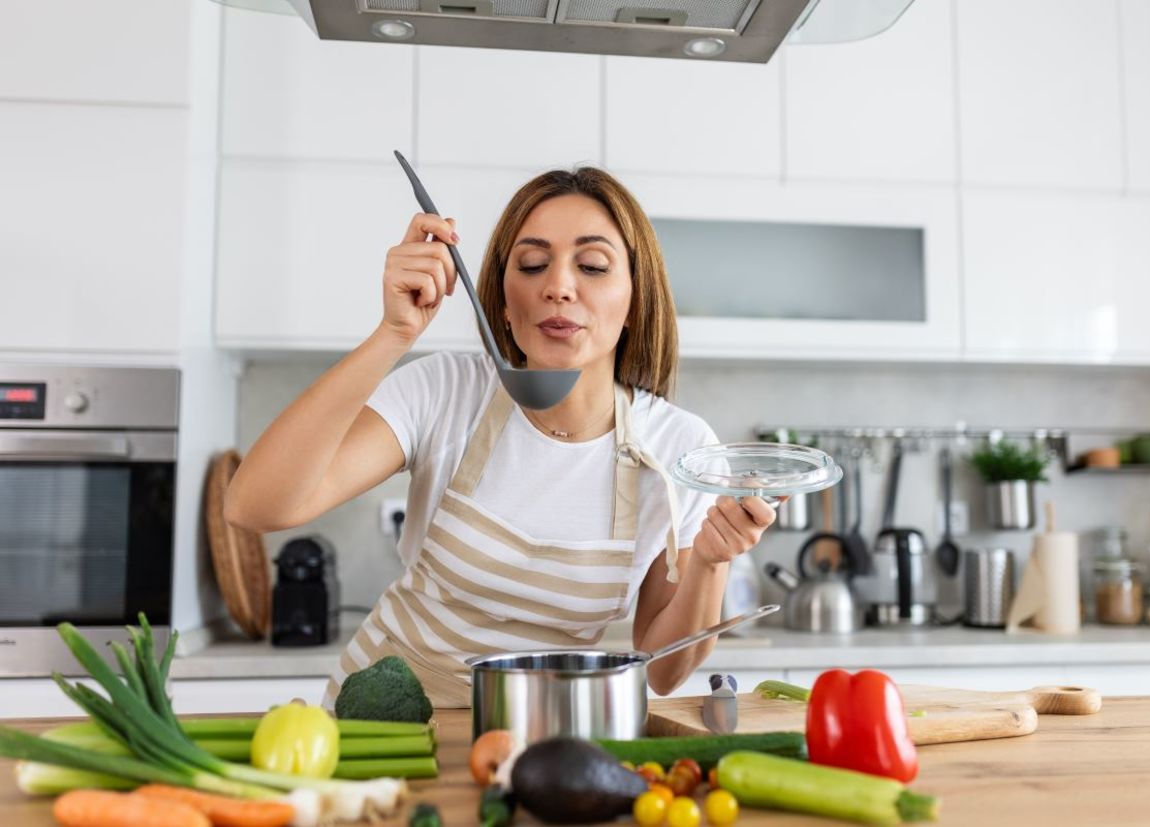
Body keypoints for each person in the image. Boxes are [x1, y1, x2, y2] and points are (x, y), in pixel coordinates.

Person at [225, 167, 778, 707]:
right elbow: (255, 505)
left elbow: (661, 671)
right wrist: (393, 334)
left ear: (635, 300)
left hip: (535, 734)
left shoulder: (679, 448)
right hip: (378, 722)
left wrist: (709, 560)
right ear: (504, 304)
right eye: (533, 264)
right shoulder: (445, 392)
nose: (558, 286)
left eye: (591, 265)